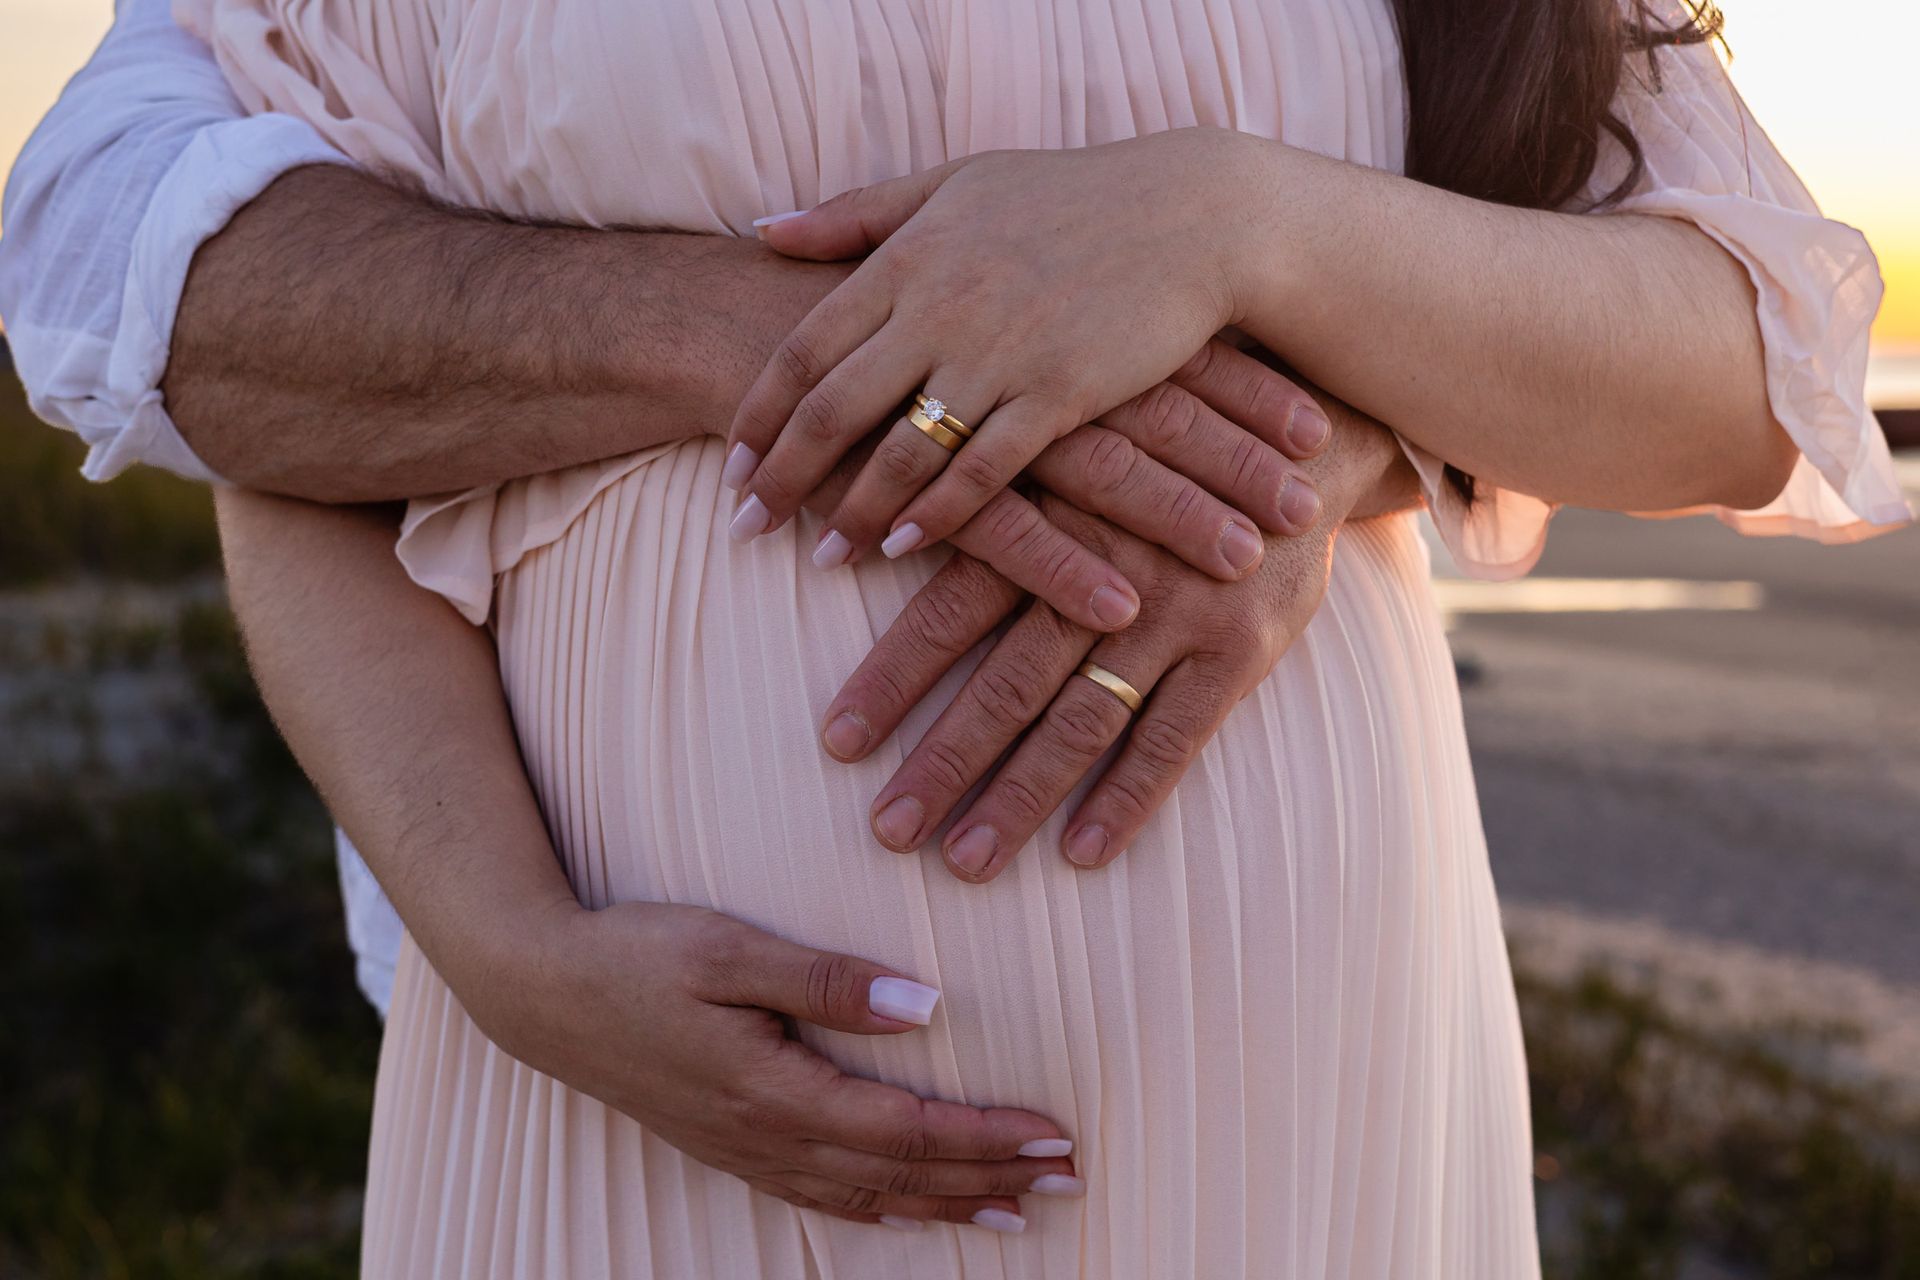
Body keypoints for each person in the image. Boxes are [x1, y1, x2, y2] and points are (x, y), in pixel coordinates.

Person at [3, 2, 1908, 1278]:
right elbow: (204, 344)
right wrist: (496, 940)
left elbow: (1755, 363)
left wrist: (1257, 235)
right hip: (624, 1090)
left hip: (1302, 1094)